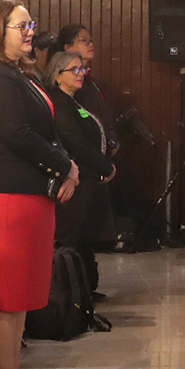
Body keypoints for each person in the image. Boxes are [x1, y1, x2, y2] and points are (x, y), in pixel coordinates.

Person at [0, 0, 74, 369]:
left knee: (21, 293)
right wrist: (66, 165)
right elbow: (17, 135)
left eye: (31, 25)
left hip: (26, 195)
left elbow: (44, 132)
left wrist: (66, 166)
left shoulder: (18, 74)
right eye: (21, 26)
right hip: (3, 196)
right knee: (3, 295)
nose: (31, 32)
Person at [54, 23, 116, 277]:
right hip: (76, 176)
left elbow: (99, 124)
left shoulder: (79, 96)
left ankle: (85, 286)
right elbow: (76, 142)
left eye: (81, 70)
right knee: (70, 238)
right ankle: (68, 288)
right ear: (57, 75)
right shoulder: (61, 102)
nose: (80, 74)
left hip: (90, 176)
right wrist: (106, 166)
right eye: (74, 70)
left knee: (86, 236)